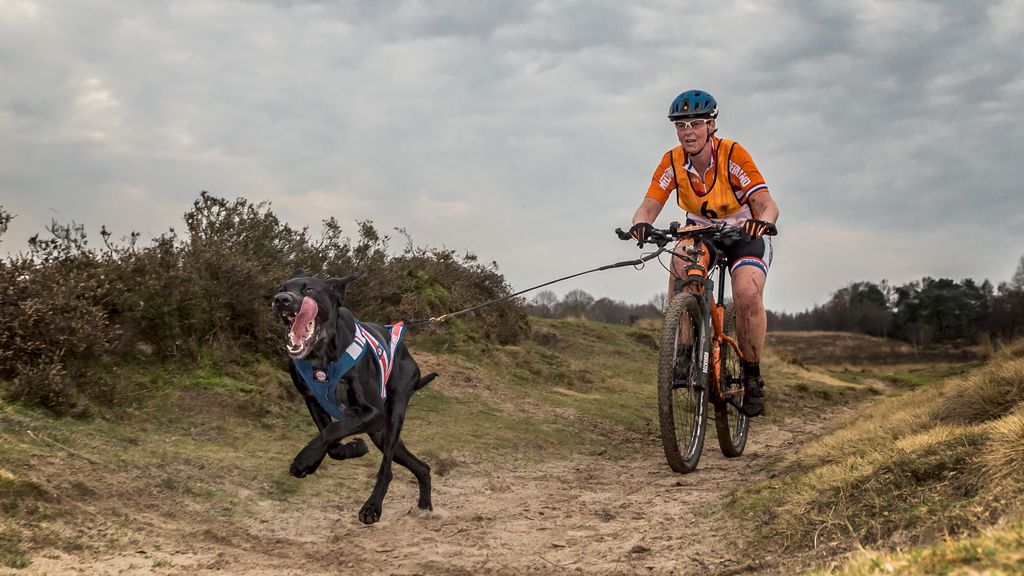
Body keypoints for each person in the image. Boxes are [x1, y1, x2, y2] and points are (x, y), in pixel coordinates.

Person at [628, 89, 779, 416]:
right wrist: (640, 224)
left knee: (747, 294)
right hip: (700, 230)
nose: (688, 132)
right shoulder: (672, 162)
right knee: (681, 263)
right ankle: (683, 353)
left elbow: (766, 204)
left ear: (711, 126)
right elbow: (650, 203)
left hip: (744, 232)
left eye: (696, 124)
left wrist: (762, 222)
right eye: (681, 126)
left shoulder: (733, 155)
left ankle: (752, 376)